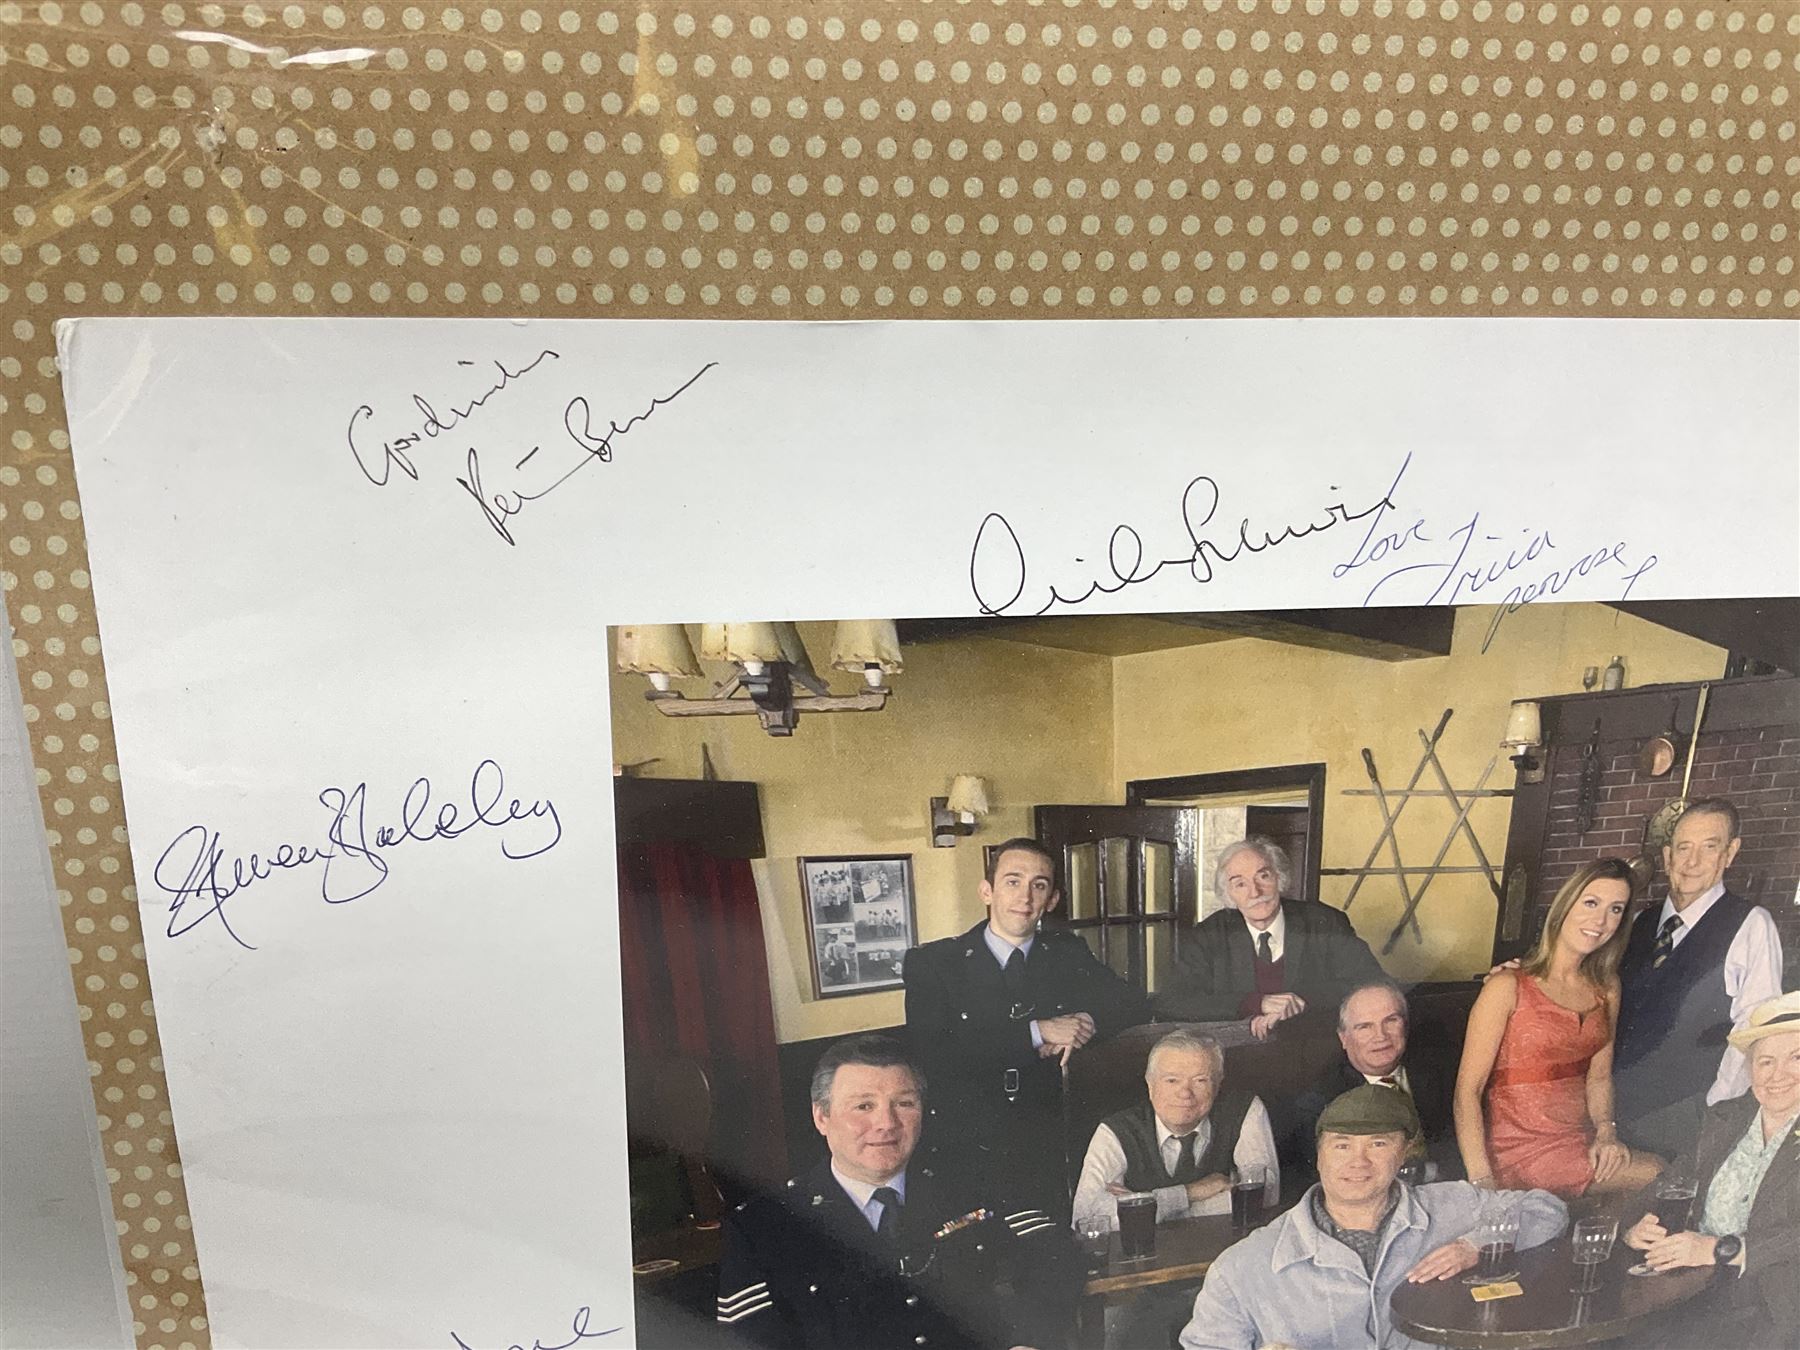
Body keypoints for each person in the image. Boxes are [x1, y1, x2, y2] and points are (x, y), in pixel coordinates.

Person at [713, 1034, 1081, 1350]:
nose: (886, 1123)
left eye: (904, 1103)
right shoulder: (763, 1228)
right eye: (864, 1106)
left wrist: (1030, 1338)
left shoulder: (974, 1187)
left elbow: (1055, 1254)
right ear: (821, 1117)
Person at [1179, 1085, 1567, 1350]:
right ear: (1319, 1156)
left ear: (1403, 1156)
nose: (1358, 1162)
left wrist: (1475, 1246)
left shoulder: (1452, 1207)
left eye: (1378, 1144)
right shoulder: (1244, 1267)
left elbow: (1546, 1209)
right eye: (1342, 1145)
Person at [903, 837, 1150, 1218]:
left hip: (1051, 1135)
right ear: (987, 891)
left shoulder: (1066, 952)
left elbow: (1131, 1002)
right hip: (970, 1142)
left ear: (1052, 899)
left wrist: (1085, 1022)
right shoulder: (936, 962)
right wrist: (1038, 1032)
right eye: (1013, 881)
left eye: (1039, 885)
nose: (1026, 897)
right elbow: (932, 1051)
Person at [1454, 858, 1663, 1199]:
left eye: (1616, 909)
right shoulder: (1507, 986)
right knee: (1655, 1173)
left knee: (1654, 1172)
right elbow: (1467, 1091)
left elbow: (1598, 1077)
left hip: (1578, 1140)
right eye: (1591, 903)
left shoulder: (1606, 986)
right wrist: (1482, 1184)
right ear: (1565, 906)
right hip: (1516, 1149)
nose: (1600, 920)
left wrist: (1607, 1133)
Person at [1620, 991, 1800, 1350]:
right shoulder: (1726, 1117)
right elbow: (1669, 1184)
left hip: (1775, 1302)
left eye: (1796, 1057)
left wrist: (1720, 1249)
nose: (1777, 1074)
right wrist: (1635, 1226)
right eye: (1765, 1061)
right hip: (1694, 1287)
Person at [1612, 798, 1785, 1160]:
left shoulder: (1751, 924)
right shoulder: (1640, 923)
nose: (1692, 863)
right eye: (1683, 848)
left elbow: (1754, 1032)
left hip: (1689, 1122)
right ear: (1666, 856)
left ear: (1730, 853)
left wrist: (1713, 1115)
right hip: (1616, 1117)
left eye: (1710, 848)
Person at [1158, 837, 1385, 1040]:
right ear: (1228, 894)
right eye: (1240, 884)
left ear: (1279, 877)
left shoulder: (1323, 921)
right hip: (1240, 1059)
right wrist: (1256, 1003)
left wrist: (1301, 1000)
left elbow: (1372, 982)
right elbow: (1172, 1002)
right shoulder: (1209, 934)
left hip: (1319, 1054)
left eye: (1263, 876)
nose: (1255, 892)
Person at [1071, 1029, 1280, 1232]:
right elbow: (1087, 1217)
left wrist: (1144, 1204)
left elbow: (1266, 1194)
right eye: (1172, 1080)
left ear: (1217, 1084)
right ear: (1150, 1084)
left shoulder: (1244, 1110)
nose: (1185, 1093)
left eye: (1200, 1080)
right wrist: (1190, 1193)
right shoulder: (1116, 1130)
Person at [1291, 979, 1459, 1182]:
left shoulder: (1444, 1075)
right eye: (1365, 1027)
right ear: (1343, 1038)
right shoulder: (1319, 1101)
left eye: (1391, 1021)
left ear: (1405, 1026)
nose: (1380, 1036)